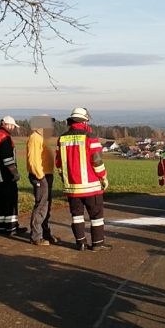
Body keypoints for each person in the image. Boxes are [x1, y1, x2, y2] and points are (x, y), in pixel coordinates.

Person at [55, 107, 112, 251]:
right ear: (85, 120)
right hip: (91, 186)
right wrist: (103, 177)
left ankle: (80, 243)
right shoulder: (90, 137)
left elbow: (58, 163)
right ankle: (98, 243)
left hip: (72, 187)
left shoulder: (61, 139)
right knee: (96, 216)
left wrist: (64, 178)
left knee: (77, 216)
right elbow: (97, 161)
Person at [26, 117, 59, 246]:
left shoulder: (41, 138)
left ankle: (45, 233)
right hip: (41, 176)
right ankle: (36, 236)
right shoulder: (35, 138)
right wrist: (40, 176)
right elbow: (33, 160)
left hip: (46, 175)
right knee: (41, 206)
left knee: (46, 206)